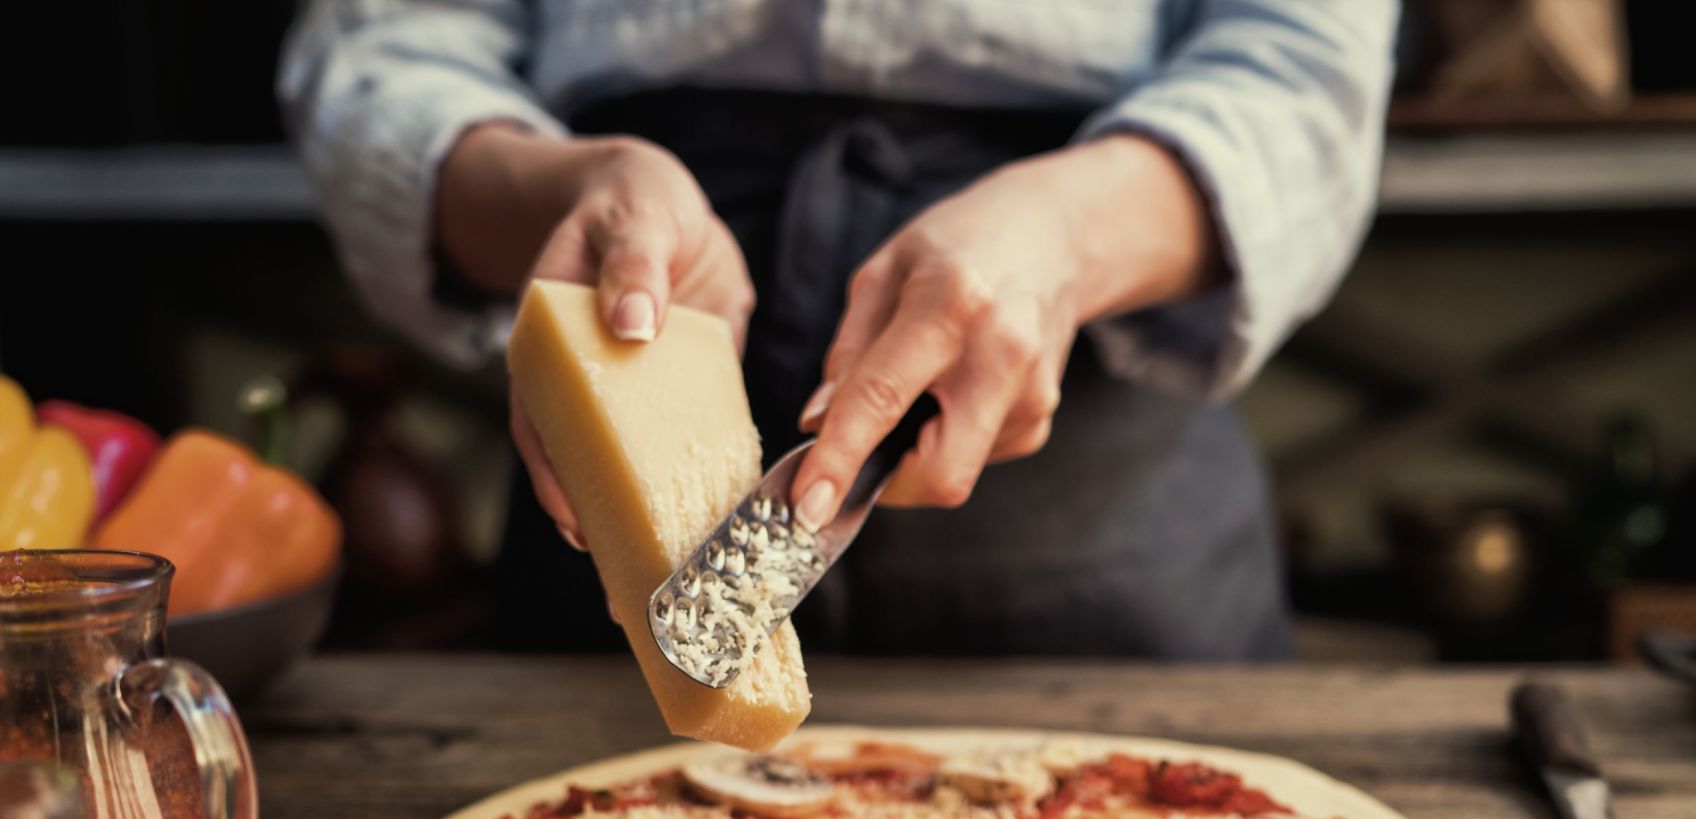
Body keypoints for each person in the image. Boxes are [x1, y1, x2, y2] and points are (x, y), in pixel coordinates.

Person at [280, 1, 1395, 659]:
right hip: (631, 376)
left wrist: (1070, 231)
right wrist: (555, 194)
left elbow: (1307, 69)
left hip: (1103, 466)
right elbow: (384, 50)